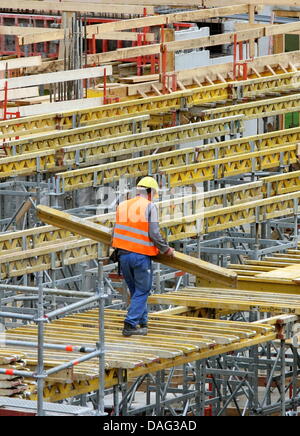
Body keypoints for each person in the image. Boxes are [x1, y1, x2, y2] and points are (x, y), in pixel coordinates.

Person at [112, 176, 174, 337]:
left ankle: (142, 321)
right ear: (150, 191)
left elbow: (116, 230)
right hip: (139, 256)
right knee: (143, 290)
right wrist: (165, 249)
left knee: (136, 291)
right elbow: (154, 232)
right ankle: (130, 323)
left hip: (123, 256)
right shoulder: (149, 206)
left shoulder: (123, 205)